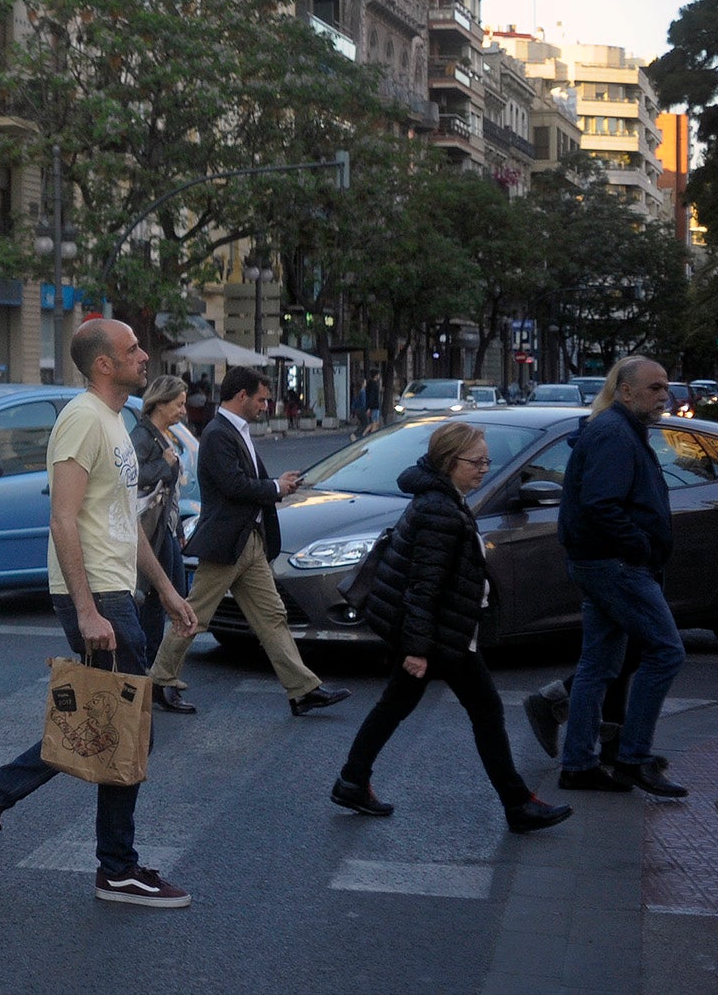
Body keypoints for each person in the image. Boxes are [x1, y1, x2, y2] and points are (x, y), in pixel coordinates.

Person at [0, 320, 198, 907]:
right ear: (103, 365)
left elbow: (122, 522)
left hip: (119, 590)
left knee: (107, 723)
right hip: (95, 597)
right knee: (122, 726)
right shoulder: (82, 418)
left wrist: (165, 587)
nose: (145, 355)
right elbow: (63, 519)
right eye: (132, 349)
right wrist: (88, 610)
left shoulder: (116, 420)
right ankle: (115, 867)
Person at [331, 422, 573, 833]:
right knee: (486, 710)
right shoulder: (440, 510)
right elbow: (424, 586)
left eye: (486, 460)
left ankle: (352, 780)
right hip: (442, 634)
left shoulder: (441, 498)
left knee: (397, 704)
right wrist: (417, 649)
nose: (484, 469)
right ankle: (517, 803)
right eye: (475, 461)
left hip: (440, 630)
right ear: (448, 462)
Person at [147, 366, 352, 717]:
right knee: (194, 614)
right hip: (228, 542)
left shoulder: (234, 430)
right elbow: (233, 486)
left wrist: (276, 482)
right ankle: (160, 680)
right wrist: (276, 488)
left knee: (272, 616)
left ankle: (303, 690)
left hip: (249, 541)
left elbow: (246, 480)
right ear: (241, 396)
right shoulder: (217, 434)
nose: (265, 405)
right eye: (261, 398)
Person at [554, 356, 688, 798]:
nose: (663, 396)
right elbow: (600, 505)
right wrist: (641, 546)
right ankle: (633, 758)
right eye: (654, 388)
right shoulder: (614, 433)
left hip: (604, 561)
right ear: (625, 391)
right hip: (616, 565)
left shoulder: (619, 429)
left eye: (665, 387)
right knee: (666, 652)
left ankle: (578, 765)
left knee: (598, 664)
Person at [130, 374, 191, 708]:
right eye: (178, 404)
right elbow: (131, 479)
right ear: (160, 403)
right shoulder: (142, 436)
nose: (183, 410)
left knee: (175, 599)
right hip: (149, 533)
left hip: (165, 530)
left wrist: (179, 529)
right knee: (157, 605)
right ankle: (153, 679)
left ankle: (160, 675)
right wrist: (162, 464)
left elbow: (171, 494)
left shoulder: (164, 435)